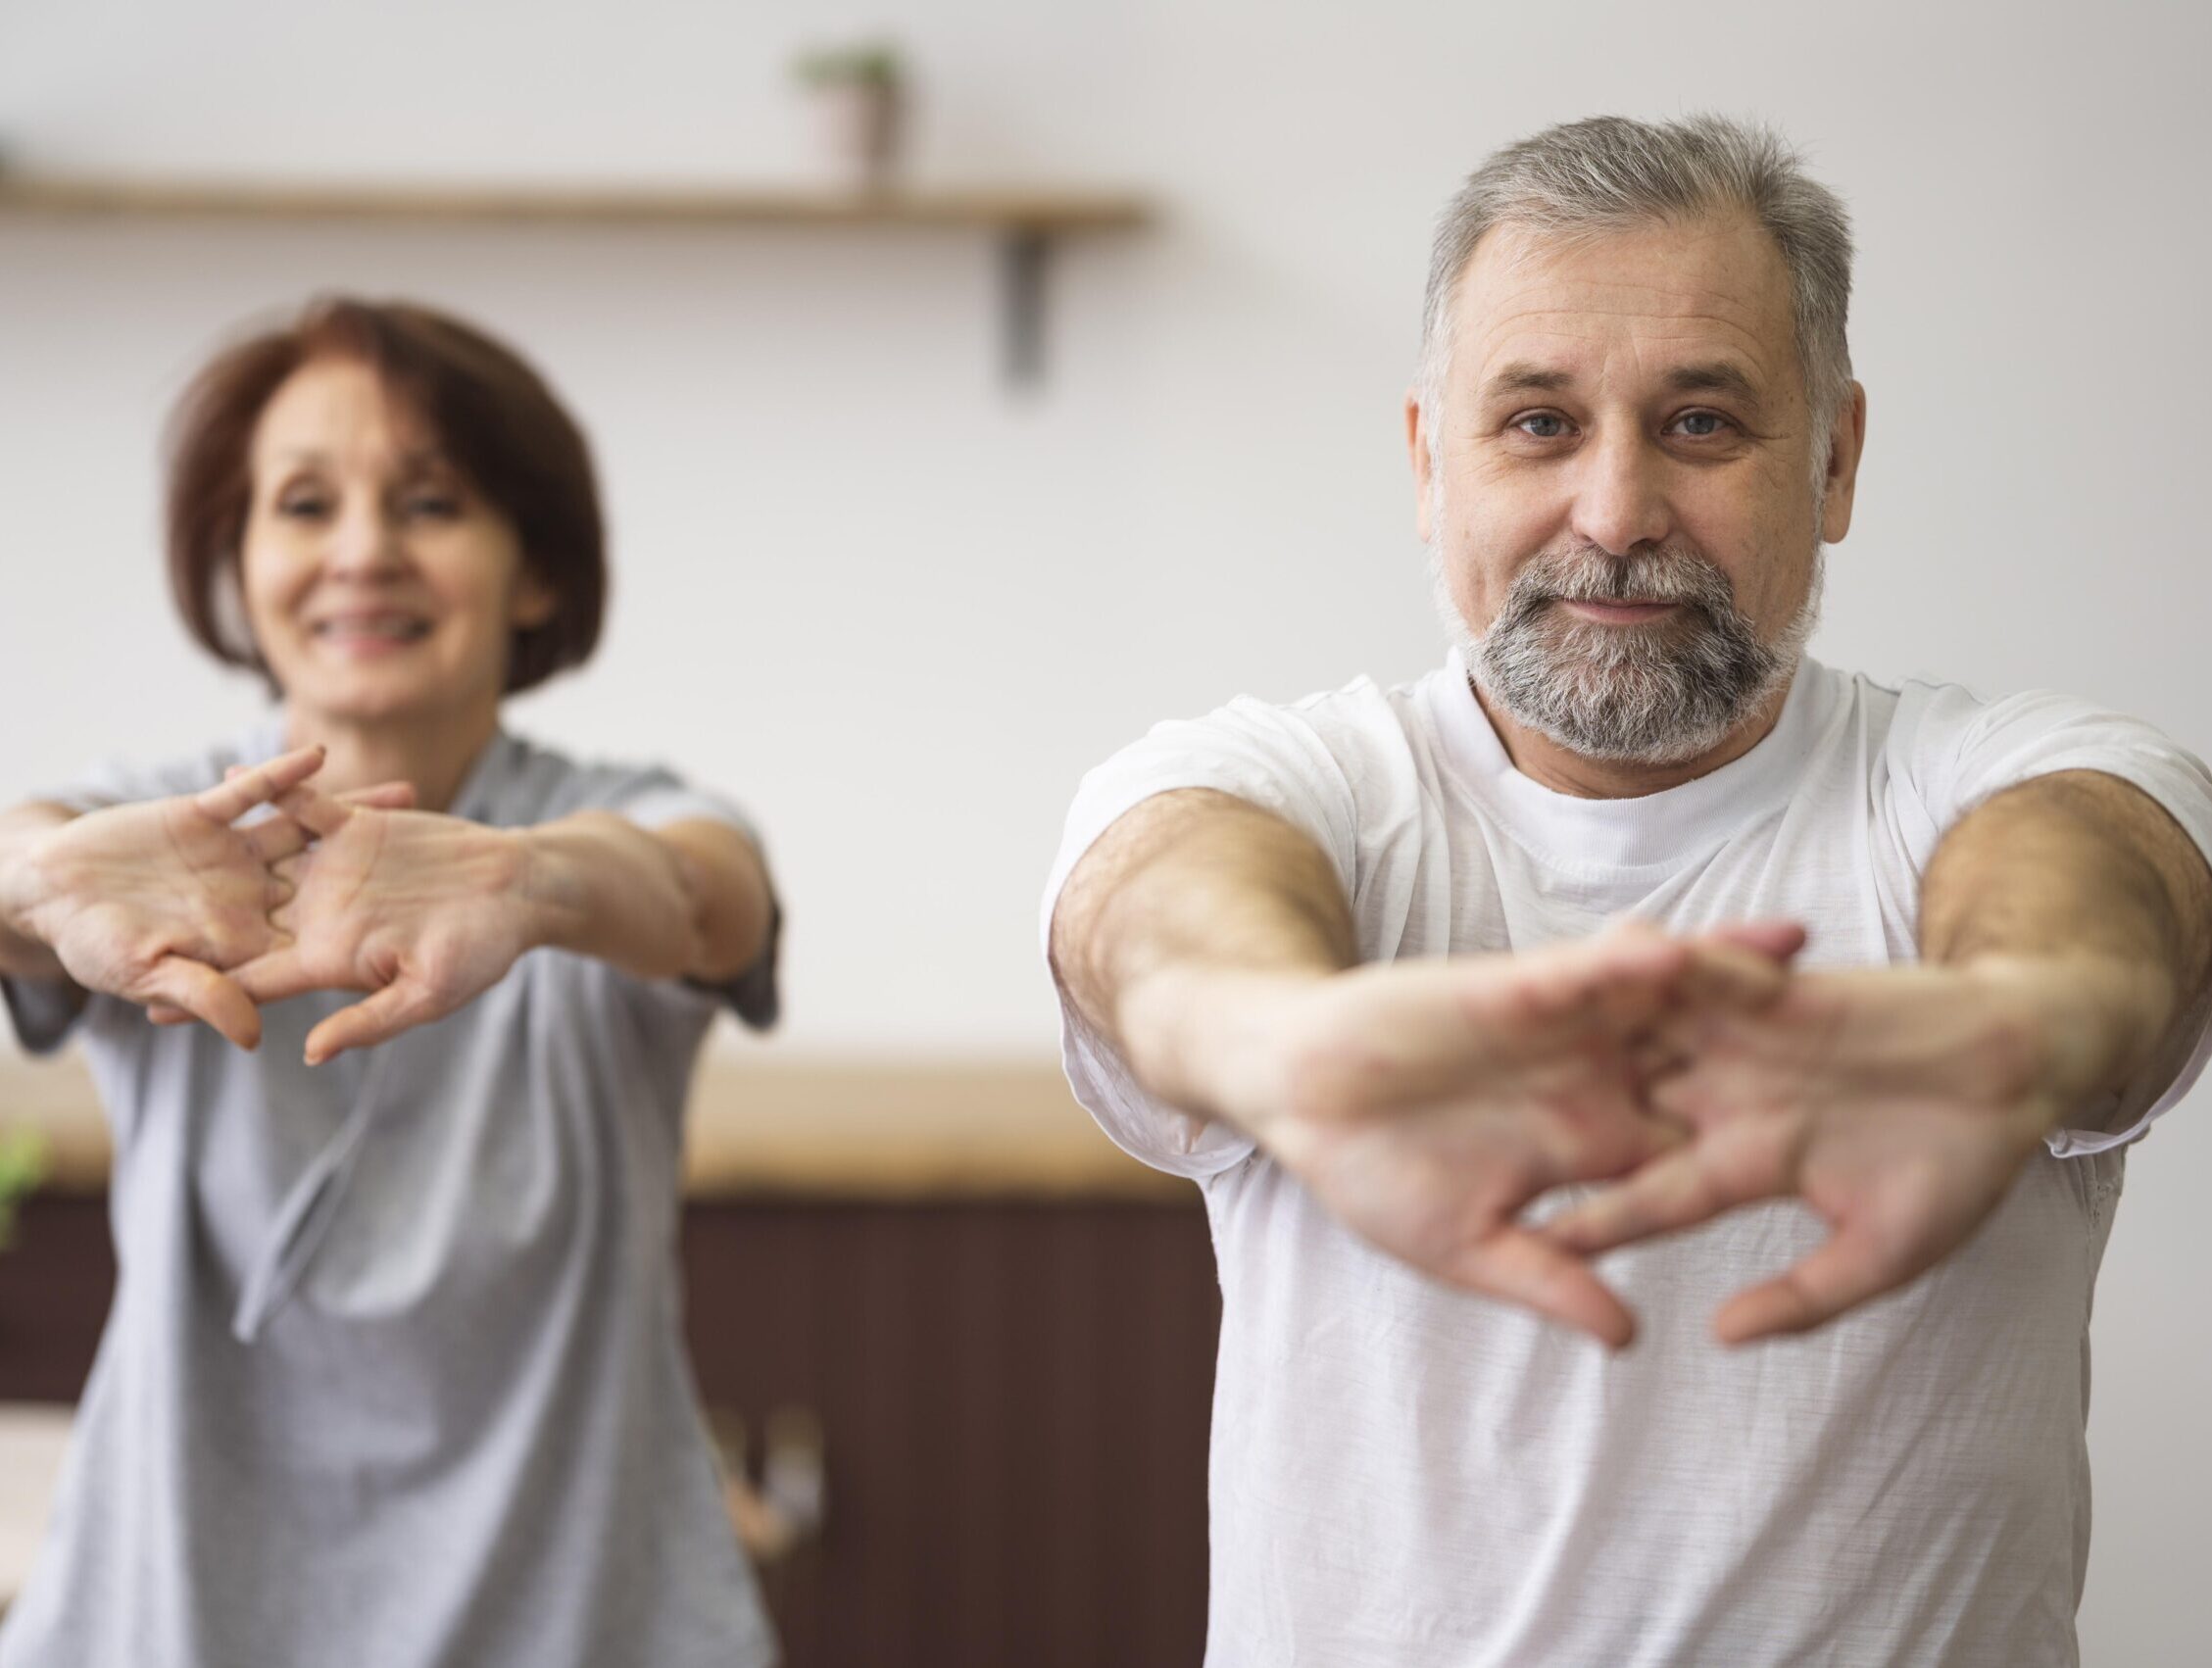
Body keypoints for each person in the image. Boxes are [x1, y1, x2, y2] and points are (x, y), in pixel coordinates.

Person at [1044, 116, 2212, 1667]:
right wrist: (1277, 1042)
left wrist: (2022, 1017)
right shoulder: (1294, 783)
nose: (1612, 510)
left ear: (1835, 458)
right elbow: (1161, 901)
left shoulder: (1979, 778)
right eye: (1536, 422)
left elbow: (2107, 876)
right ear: (1425, 460)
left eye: (1702, 424)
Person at [0, 298, 782, 1667]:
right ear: (238, 564)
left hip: (583, 1618)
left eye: (429, 501)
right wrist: (41, 881)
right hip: (175, 1619)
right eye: (303, 504)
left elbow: (705, 894)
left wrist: (534, 882)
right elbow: (32, 857)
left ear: (533, 568)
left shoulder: (615, 818)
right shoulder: (158, 834)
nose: (362, 552)